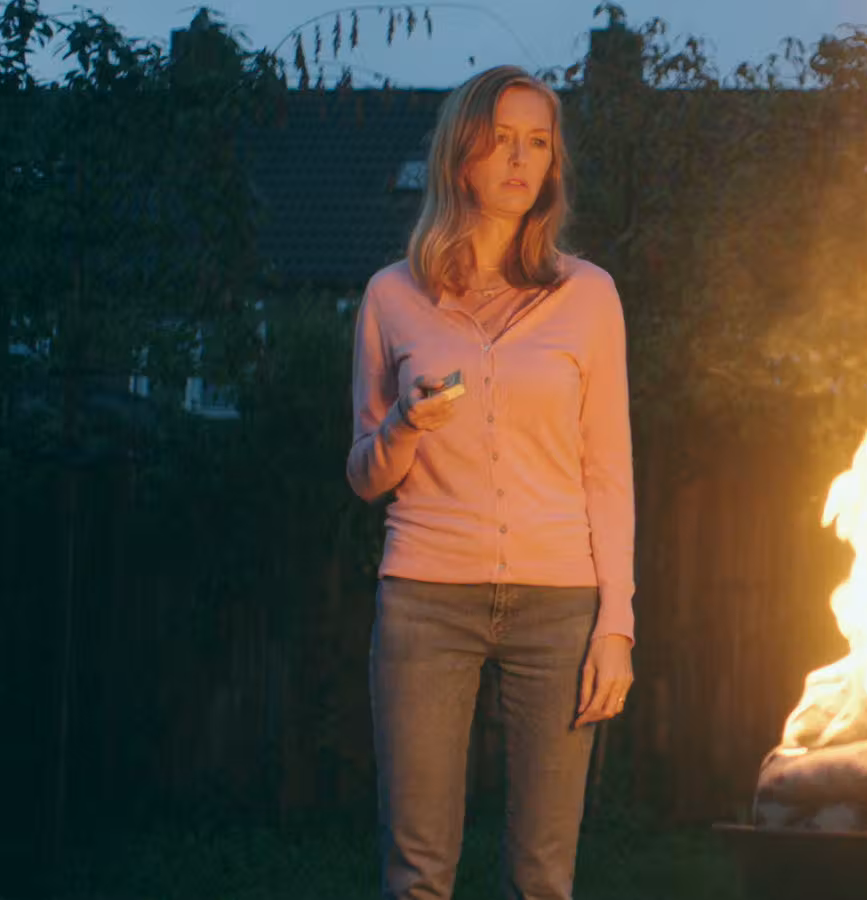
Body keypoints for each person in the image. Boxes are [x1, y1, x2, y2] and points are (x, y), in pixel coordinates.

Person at [347, 64, 634, 900]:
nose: (519, 159)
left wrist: (616, 624)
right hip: (426, 600)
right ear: (460, 155)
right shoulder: (392, 297)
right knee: (417, 873)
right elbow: (365, 475)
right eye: (501, 139)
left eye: (537, 143)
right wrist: (405, 425)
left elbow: (608, 470)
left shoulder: (589, 296)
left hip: (560, 607)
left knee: (543, 876)